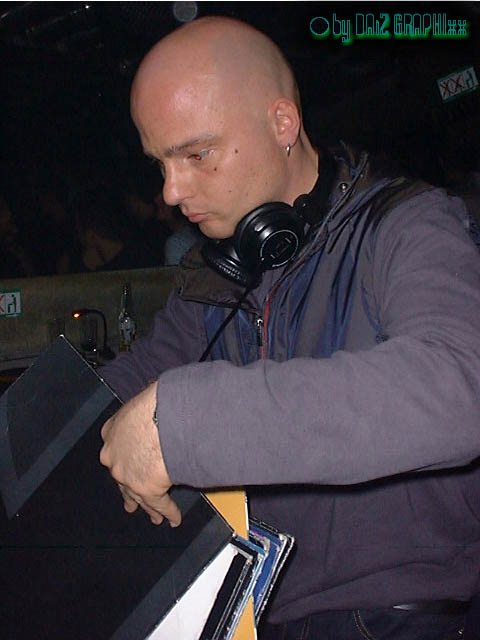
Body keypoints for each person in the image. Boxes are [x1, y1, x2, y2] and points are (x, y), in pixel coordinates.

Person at [99, 16, 480, 640]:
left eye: (196, 155)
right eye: (160, 163)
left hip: (396, 615)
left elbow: (459, 387)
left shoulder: (407, 225)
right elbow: (127, 384)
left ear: (282, 123)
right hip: (254, 614)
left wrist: (188, 422)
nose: (170, 191)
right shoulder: (220, 272)